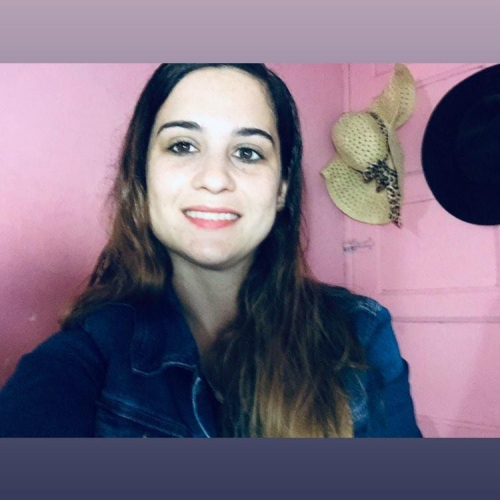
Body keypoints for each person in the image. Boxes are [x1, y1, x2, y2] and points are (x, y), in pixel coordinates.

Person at [0, 63, 421, 437]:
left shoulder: (359, 332)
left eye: (247, 152)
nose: (216, 179)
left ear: (281, 190)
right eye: (182, 146)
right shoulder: (86, 356)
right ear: (143, 177)